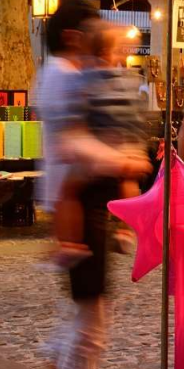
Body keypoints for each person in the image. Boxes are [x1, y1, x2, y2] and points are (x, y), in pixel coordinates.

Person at [30, 0, 151, 369]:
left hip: (86, 203)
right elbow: (75, 144)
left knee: (80, 318)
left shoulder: (69, 76)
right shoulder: (67, 77)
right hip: (80, 204)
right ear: (72, 37)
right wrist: (124, 160)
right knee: (89, 322)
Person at [54, 24, 149, 267]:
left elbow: (78, 113)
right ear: (111, 53)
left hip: (101, 153)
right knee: (128, 183)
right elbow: (138, 115)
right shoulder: (128, 81)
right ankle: (125, 230)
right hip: (128, 149)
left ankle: (70, 243)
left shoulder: (84, 79)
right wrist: (137, 147)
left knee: (68, 192)